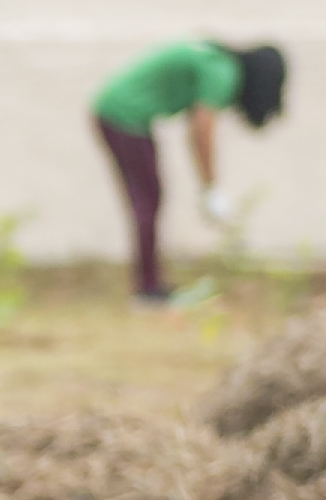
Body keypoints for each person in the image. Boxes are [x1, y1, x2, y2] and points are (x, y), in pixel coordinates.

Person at [92, 38, 286, 302]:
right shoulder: (222, 72)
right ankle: (147, 289)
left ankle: (150, 283)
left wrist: (206, 187)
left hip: (122, 113)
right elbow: (202, 129)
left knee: (150, 197)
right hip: (123, 115)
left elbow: (194, 129)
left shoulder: (214, 62)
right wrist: (210, 190)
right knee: (147, 199)